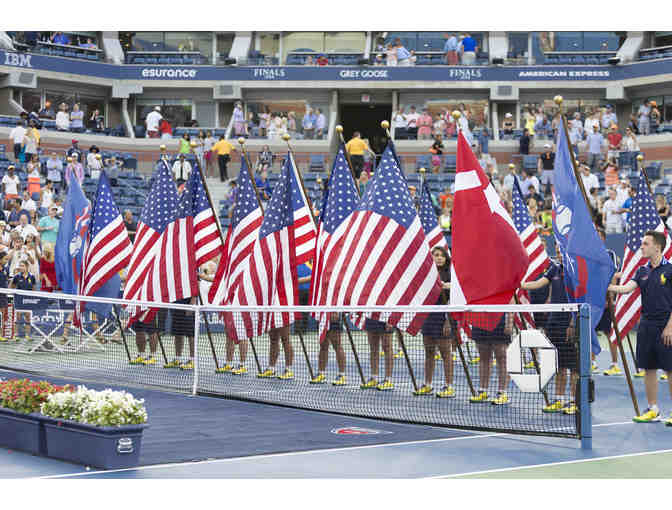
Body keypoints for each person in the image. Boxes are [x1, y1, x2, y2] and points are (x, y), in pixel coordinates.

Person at [608, 231, 672, 425]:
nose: (641, 247)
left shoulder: (670, 270)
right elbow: (626, 289)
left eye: (645, 244)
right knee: (649, 368)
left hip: (666, 325)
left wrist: (670, 327)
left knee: (670, 369)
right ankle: (653, 409)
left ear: (657, 247)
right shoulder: (642, 271)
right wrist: (606, 286)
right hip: (646, 325)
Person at [521, 246, 579, 415]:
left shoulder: (576, 271)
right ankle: (559, 399)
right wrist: (519, 284)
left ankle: (574, 401)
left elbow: (579, 297)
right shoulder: (555, 268)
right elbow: (539, 284)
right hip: (553, 322)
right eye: (557, 250)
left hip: (569, 323)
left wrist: (572, 323)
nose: (559, 253)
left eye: (562, 250)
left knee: (573, 367)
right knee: (559, 365)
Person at [414, 246, 456, 397]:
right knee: (429, 352)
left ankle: (449, 386)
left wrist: (448, 320)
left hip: (444, 317)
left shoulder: (451, 276)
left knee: (446, 354)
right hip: (428, 317)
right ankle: (428, 384)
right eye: (435, 255)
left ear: (446, 258)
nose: (439, 258)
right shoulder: (426, 276)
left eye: (441, 255)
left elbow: (454, 300)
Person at [468, 305, 513, 405]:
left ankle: (502, 393)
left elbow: (511, 300)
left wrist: (509, 322)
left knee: (501, 357)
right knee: (483, 357)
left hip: (498, 319)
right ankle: (483, 391)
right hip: (480, 319)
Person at [360, 317, 394, 391]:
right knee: (373, 348)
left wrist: (390, 320)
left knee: (387, 347)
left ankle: (388, 380)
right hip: (371, 316)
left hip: (386, 316)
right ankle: (374, 378)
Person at [163, 297, 196, 370]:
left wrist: (191, 304)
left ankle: (192, 360)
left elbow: (195, 290)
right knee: (178, 334)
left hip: (188, 307)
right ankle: (178, 359)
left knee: (191, 335)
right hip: (176, 307)